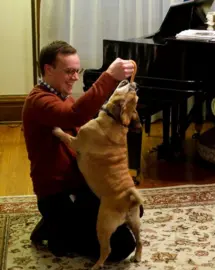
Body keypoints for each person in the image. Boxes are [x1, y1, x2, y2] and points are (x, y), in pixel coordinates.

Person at [22, 40, 142, 261]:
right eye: (69, 71)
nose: (75, 78)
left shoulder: (61, 94)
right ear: (48, 69)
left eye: (77, 71)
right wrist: (109, 77)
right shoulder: (38, 101)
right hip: (57, 192)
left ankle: (61, 225)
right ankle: (55, 231)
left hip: (78, 182)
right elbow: (74, 115)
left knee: (131, 207)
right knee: (121, 247)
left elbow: (80, 127)